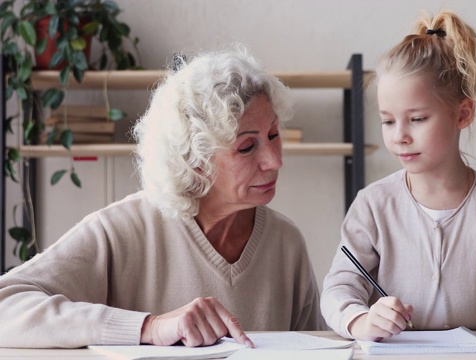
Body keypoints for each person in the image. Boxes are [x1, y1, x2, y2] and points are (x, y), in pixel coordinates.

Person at [0, 45, 325, 348]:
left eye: (274, 134)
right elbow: (5, 306)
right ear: (195, 160)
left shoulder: (287, 243)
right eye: (247, 146)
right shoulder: (121, 231)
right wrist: (148, 327)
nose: (275, 160)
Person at [321, 11, 476, 341]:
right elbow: (337, 289)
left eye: (417, 119)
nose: (399, 136)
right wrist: (361, 320)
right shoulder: (373, 204)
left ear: (463, 113)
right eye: (387, 121)